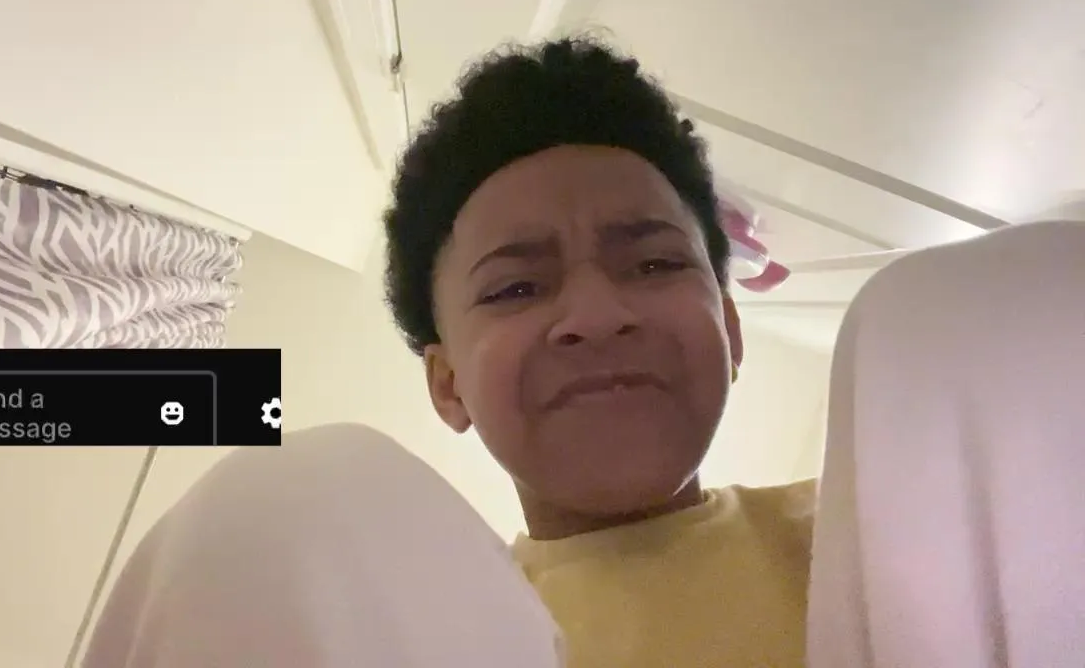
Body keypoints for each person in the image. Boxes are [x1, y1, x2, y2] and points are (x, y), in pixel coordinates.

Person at [83, 37, 815, 667]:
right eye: (516, 288)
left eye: (655, 264)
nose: (595, 317)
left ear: (731, 327)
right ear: (448, 384)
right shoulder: (412, 629)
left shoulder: (851, 521)